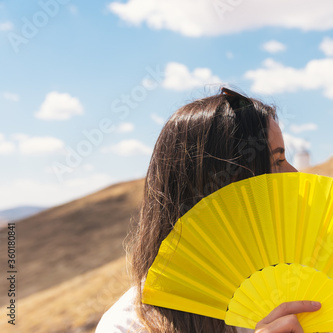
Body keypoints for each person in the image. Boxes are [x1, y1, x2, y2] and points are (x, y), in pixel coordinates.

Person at [96, 87, 321, 333]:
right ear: (224, 184)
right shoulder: (130, 325)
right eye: (276, 161)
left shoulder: (291, 294)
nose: (294, 174)